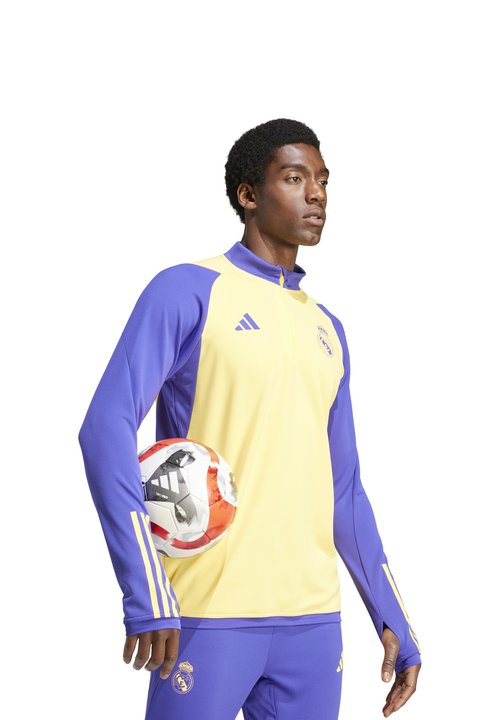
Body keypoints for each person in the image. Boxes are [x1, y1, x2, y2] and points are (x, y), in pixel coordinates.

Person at [78, 118, 421, 720]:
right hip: (207, 613)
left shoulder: (327, 328)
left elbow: (343, 490)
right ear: (248, 194)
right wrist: (145, 588)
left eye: (323, 180)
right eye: (294, 178)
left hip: (313, 623)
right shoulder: (188, 290)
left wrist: (390, 613)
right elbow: (105, 427)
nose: (316, 194)